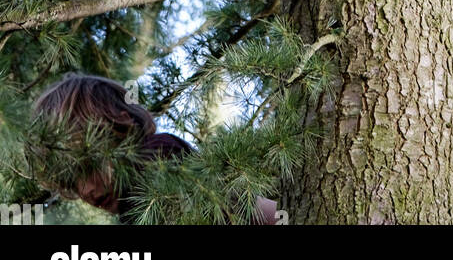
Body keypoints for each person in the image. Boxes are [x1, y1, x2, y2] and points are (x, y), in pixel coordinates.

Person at [33, 72, 277, 224]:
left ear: (121, 127)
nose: (86, 189)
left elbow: (258, 211)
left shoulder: (157, 155)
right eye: (71, 180)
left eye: (87, 166)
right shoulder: (131, 207)